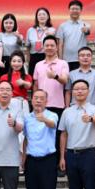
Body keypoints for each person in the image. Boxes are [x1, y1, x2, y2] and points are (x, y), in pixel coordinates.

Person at [22, 89, 58, 189]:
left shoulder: (52, 115)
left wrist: (43, 119)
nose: (38, 100)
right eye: (36, 98)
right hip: (31, 160)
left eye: (41, 98)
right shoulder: (27, 118)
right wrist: (23, 159)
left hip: (48, 160)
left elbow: (52, 125)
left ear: (46, 101)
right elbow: (25, 139)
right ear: (32, 100)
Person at [32, 35, 69, 163]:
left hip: (57, 105)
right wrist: (34, 103)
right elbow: (35, 84)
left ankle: (58, 162)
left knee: (57, 136)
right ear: (43, 47)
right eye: (47, 45)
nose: (49, 48)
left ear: (57, 47)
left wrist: (55, 76)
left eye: (52, 45)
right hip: (41, 106)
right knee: (41, 134)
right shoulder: (38, 65)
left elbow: (65, 80)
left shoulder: (63, 63)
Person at [56, 0, 91, 71]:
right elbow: (60, 44)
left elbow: (87, 32)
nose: (75, 11)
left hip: (81, 59)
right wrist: (60, 60)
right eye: (73, 9)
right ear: (69, 10)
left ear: (81, 10)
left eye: (77, 9)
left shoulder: (86, 24)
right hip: (66, 60)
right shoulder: (63, 26)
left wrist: (86, 30)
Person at [25, 7, 55, 75]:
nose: (42, 16)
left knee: (46, 77)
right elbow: (27, 47)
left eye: (44, 14)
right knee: (33, 77)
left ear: (48, 17)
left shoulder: (52, 30)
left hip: (47, 57)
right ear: (36, 17)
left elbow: (55, 46)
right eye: (39, 15)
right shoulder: (30, 30)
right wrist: (27, 61)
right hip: (33, 58)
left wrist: (49, 35)